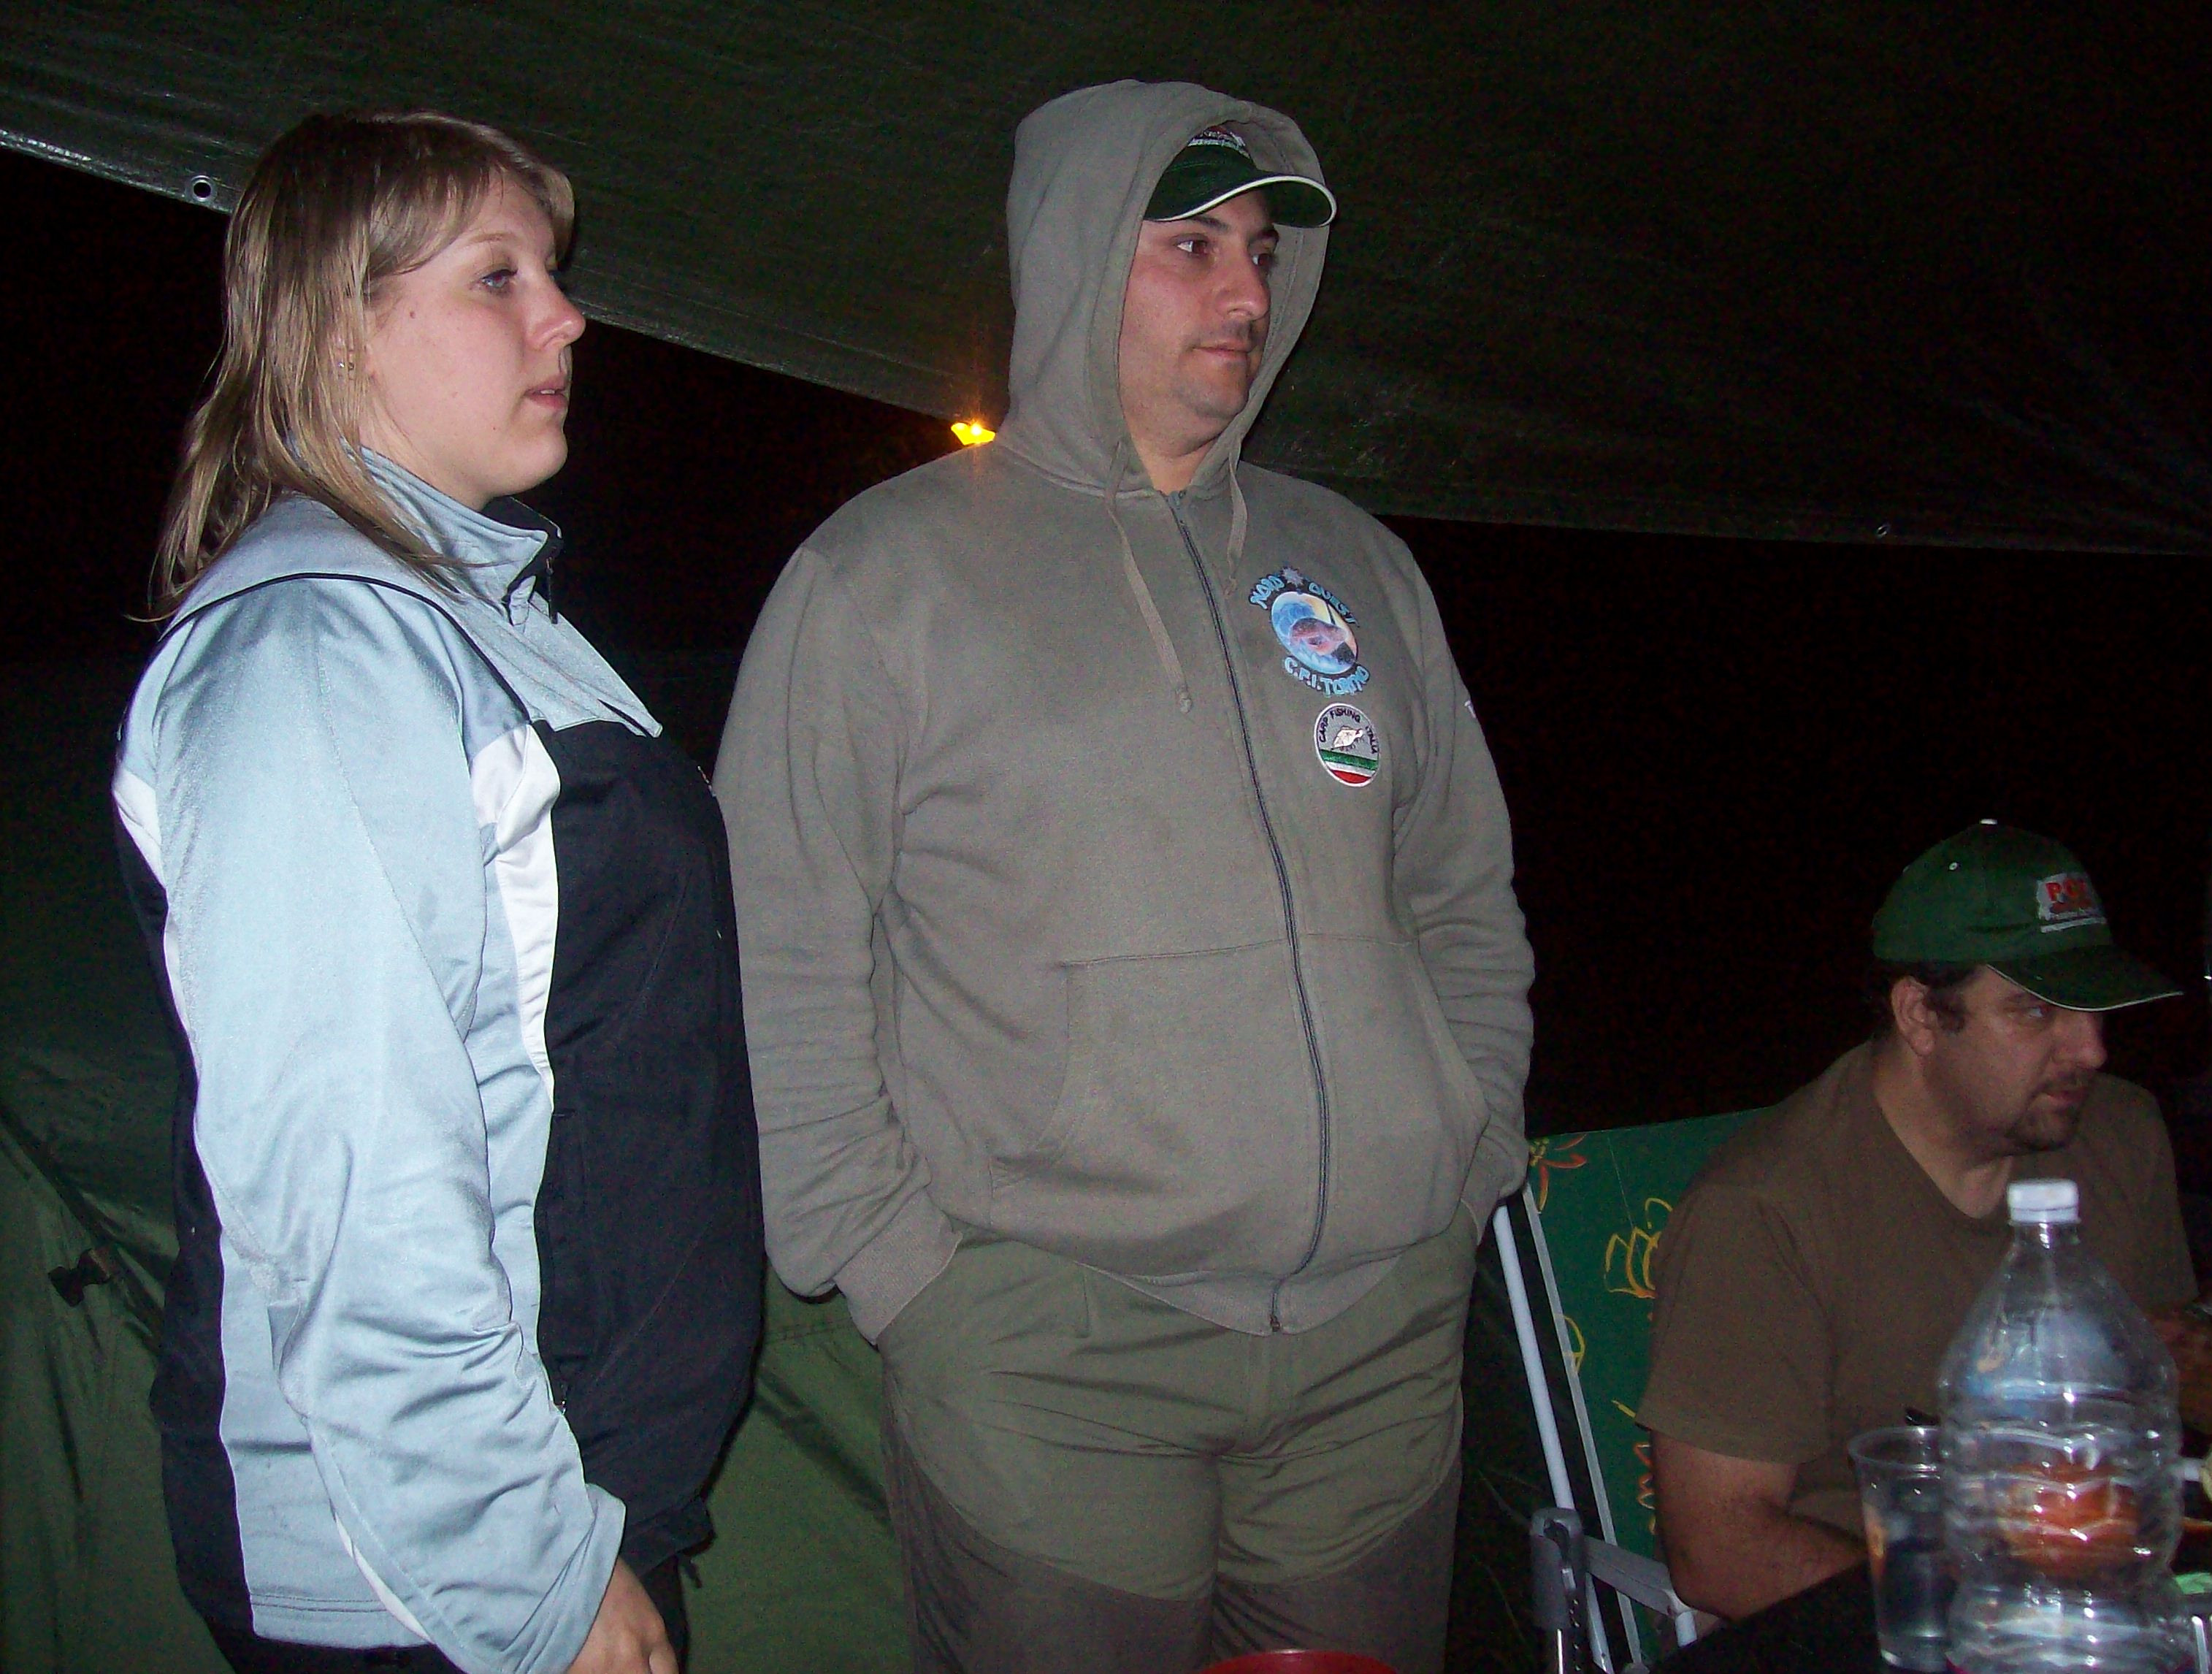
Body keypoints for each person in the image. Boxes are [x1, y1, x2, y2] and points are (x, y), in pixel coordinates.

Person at [716, 82, 1533, 1674]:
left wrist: (1466, 1153)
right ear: (1079, 252)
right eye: (1192, 246)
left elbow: (1459, 893)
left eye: (1263, 252)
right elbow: (782, 953)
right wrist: (902, 1275)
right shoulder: (881, 578)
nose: (1247, 291)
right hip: (1055, 1352)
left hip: (1377, 1338)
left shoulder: (1354, 563)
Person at [112, 111, 760, 1674]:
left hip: (583, 1493)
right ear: (341, 322)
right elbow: (350, 1176)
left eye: (553, 273)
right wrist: (529, 1574)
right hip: (438, 1575)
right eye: (497, 277)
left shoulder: (478, 619)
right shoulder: (313, 650)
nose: (568, 317)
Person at [1637, 820, 2195, 1621]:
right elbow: (1719, 1552)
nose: (2090, 1050)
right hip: (1877, 1619)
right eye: (2036, 1011)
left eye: (2092, 1009)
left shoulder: (2121, 1135)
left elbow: (2171, 1388)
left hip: (2104, 1588)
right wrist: (1984, 1615)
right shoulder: (1764, 1211)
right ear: (1921, 1016)